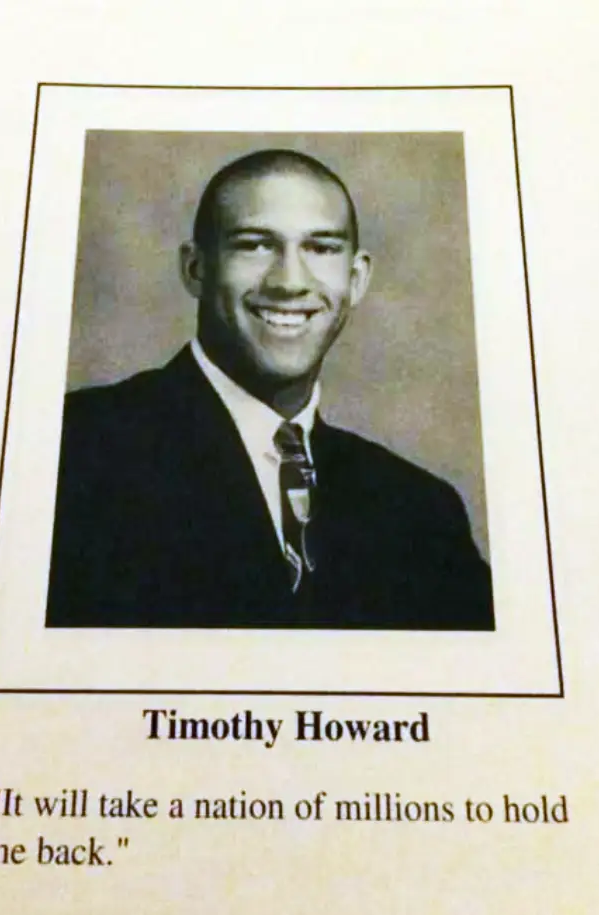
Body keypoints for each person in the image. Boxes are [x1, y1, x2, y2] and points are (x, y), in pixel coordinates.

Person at [45, 148, 493, 630]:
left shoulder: (420, 512)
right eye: (255, 245)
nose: (289, 282)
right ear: (196, 268)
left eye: (321, 248)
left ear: (356, 278)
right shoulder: (72, 451)